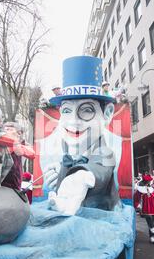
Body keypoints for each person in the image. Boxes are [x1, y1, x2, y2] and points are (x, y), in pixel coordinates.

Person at [43, 56, 121, 214]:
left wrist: (83, 177)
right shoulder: (68, 152)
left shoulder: (104, 152)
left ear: (107, 114)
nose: (73, 121)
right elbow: (64, 183)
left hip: (100, 214)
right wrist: (59, 177)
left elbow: (100, 170)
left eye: (86, 110)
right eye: (66, 110)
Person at [1, 122, 26, 191]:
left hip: (13, 185)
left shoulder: (21, 145)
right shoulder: (1, 143)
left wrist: (15, 139)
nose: (6, 131)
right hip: (0, 183)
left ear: (19, 133)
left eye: (10, 129)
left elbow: (19, 152)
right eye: (5, 129)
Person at [138, 175, 154, 245]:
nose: (150, 182)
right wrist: (139, 207)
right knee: (150, 222)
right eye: (149, 181)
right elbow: (137, 199)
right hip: (146, 209)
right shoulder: (140, 190)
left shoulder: (151, 188)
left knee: (153, 223)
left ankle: (151, 237)